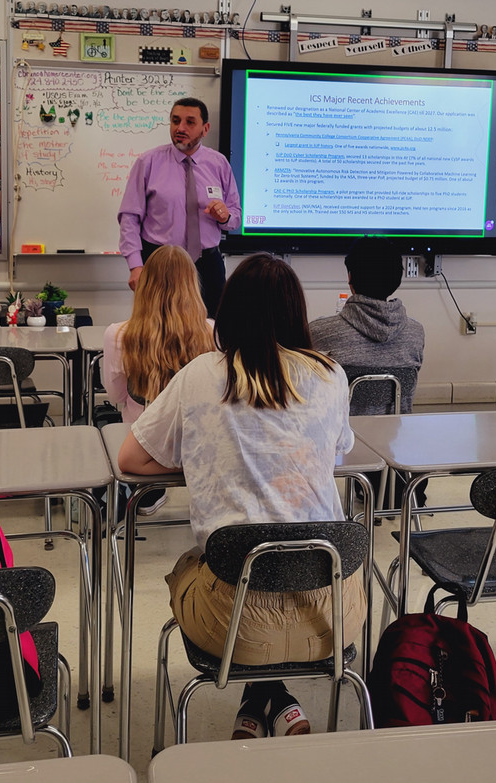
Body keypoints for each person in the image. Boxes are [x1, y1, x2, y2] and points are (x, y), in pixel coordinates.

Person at [118, 253, 365, 739]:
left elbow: (130, 460)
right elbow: (337, 451)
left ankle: (260, 701)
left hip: (232, 627)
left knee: (197, 563)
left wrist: (205, 454)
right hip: (333, 614)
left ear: (229, 310)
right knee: (265, 556)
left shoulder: (200, 374)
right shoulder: (330, 375)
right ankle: (275, 702)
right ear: (297, 312)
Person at [309, 235, 425, 504]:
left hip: (339, 442)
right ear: (397, 279)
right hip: (396, 442)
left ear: (350, 278)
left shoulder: (320, 332)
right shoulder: (415, 333)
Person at [104, 245, 214, 514]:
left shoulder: (117, 335)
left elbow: (116, 395)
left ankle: (147, 495)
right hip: (197, 445)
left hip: (141, 448)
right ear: (192, 284)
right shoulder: (213, 331)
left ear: (145, 284)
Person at [117, 97, 241, 317]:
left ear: (205, 128)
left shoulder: (219, 163)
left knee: (210, 331)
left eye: (190, 122)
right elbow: (129, 217)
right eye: (175, 121)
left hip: (207, 264)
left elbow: (235, 217)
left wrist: (223, 216)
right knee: (158, 334)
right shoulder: (148, 162)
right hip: (160, 262)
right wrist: (135, 265)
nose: (180, 128)